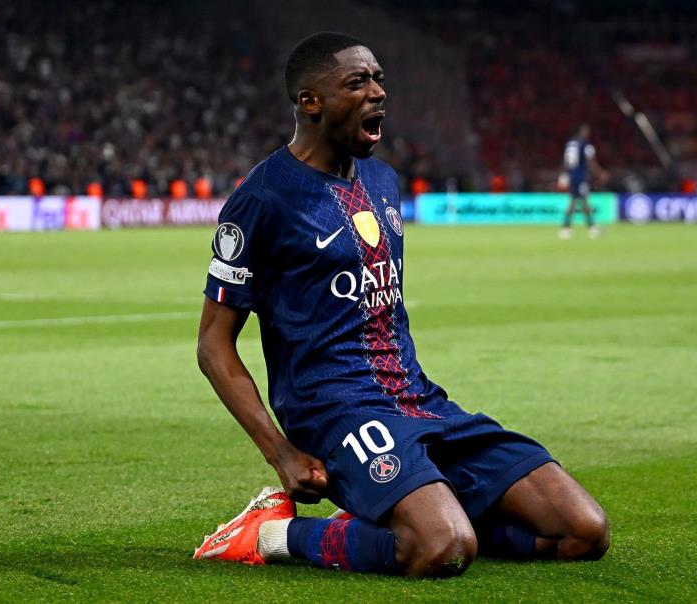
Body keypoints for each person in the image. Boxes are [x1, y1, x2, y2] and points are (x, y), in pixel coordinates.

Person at [193, 32, 609, 578]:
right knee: (439, 548)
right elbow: (212, 345)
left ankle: (420, 512)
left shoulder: (383, 181)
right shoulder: (262, 199)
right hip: (336, 409)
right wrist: (281, 452)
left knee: (582, 531)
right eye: (357, 82)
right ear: (309, 102)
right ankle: (272, 533)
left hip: (419, 400)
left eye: (380, 79)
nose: (377, 92)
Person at [560, 124, 607, 239]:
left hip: (572, 175)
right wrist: (600, 173)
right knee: (583, 200)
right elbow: (590, 162)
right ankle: (590, 228)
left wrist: (564, 174)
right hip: (580, 176)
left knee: (575, 200)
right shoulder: (585, 145)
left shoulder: (570, 144)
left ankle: (567, 228)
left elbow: (566, 161)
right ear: (582, 132)